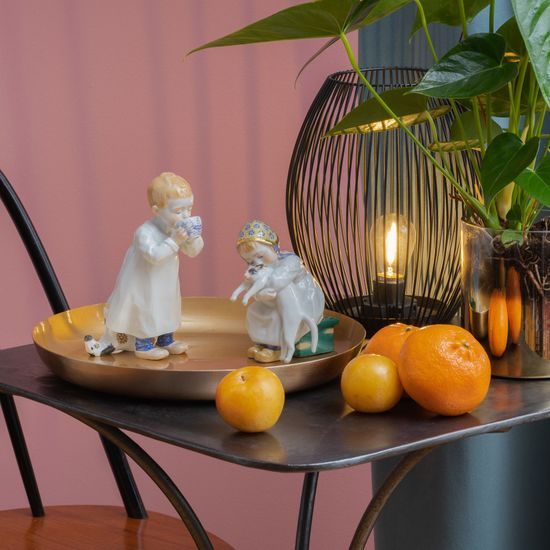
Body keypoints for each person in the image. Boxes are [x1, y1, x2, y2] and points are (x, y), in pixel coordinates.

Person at [85, 172, 203, 360]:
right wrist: (174, 240)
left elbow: (193, 251)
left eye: (189, 209)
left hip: (165, 282)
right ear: (157, 210)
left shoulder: (175, 229)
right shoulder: (145, 232)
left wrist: (193, 238)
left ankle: (166, 340)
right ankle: (144, 345)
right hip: (144, 284)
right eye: (178, 211)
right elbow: (154, 256)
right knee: (148, 311)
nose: (186, 215)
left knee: (167, 307)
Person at [230, 220, 324, 363]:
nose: (256, 262)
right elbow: (255, 287)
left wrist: (257, 286)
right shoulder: (259, 268)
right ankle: (262, 344)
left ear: (275, 247)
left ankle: (276, 348)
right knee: (254, 310)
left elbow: (277, 282)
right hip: (275, 301)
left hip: (301, 300)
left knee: (276, 315)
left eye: (260, 256)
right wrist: (258, 295)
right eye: (249, 261)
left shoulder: (291, 260)